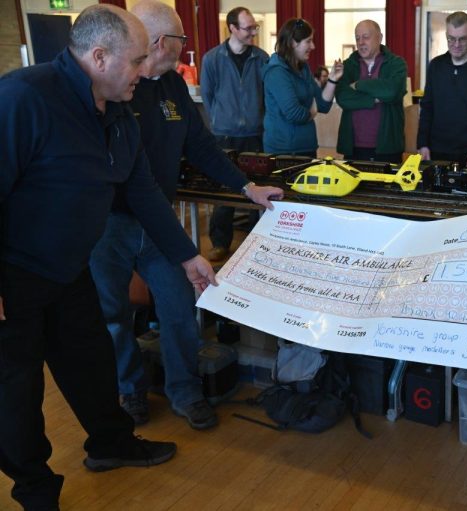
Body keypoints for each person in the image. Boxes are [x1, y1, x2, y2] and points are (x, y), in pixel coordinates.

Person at [0, 4, 218, 509]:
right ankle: (35, 489)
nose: (146, 69)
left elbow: (142, 191)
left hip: (70, 268)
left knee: (93, 363)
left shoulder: (118, 108)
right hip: (15, 276)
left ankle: (111, 444)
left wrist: (187, 256)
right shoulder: (23, 98)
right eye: (137, 60)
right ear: (99, 57)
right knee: (16, 391)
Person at [90, 0, 283, 430]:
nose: (185, 44)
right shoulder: (111, 88)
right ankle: (130, 390)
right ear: (163, 41)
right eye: (181, 37)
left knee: (179, 306)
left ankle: (185, 390)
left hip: (159, 222)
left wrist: (246, 187)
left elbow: (201, 147)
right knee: (112, 315)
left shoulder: (173, 86)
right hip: (109, 225)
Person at [201, 7, 269, 262]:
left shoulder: (262, 58)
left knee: (257, 189)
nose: (253, 32)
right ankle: (220, 242)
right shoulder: (212, 59)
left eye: (254, 27)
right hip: (224, 136)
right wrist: (220, 121)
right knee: (225, 190)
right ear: (232, 28)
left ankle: (255, 242)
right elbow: (208, 96)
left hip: (255, 134)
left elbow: (266, 95)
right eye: (248, 28)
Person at [416, 11, 467, 168]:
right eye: (451, 38)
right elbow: (427, 107)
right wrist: (422, 143)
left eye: (462, 39)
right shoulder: (436, 66)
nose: (456, 44)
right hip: (436, 150)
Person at [262, 18, 342, 157]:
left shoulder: (303, 68)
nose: (313, 46)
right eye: (308, 41)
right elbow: (295, 114)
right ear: (293, 42)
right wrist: (312, 112)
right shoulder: (276, 72)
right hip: (284, 151)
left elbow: (323, 105)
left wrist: (332, 80)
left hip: (307, 146)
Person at [336, 20, 407, 164]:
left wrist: (358, 85)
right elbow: (343, 98)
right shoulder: (348, 66)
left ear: (379, 38)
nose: (361, 42)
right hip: (353, 149)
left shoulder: (396, 63)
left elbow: (392, 91)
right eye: (357, 38)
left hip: (388, 148)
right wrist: (374, 98)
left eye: (366, 37)